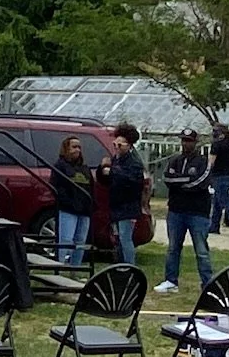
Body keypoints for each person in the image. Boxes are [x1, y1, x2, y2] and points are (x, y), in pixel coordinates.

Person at [156, 127, 214, 294]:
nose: (185, 144)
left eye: (188, 141)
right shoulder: (175, 160)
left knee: (201, 250)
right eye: (183, 140)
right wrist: (185, 181)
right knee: (173, 248)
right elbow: (166, 179)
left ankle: (207, 284)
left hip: (198, 212)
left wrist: (179, 183)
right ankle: (170, 281)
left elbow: (200, 183)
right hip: (176, 211)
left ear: (195, 143)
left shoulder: (203, 162)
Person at [95, 123, 146, 266]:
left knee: (125, 238)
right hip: (116, 206)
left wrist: (112, 172)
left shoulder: (134, 162)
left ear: (129, 145)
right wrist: (102, 169)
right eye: (115, 144)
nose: (116, 147)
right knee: (117, 237)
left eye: (120, 145)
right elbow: (105, 180)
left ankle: (129, 265)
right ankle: (120, 263)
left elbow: (132, 181)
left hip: (128, 207)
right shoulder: (116, 159)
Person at [46, 135, 97, 267]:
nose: (77, 150)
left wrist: (91, 204)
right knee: (66, 239)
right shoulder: (60, 166)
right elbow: (55, 186)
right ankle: (60, 266)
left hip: (84, 210)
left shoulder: (84, 168)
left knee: (80, 241)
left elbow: (91, 187)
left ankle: (75, 269)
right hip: (68, 209)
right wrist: (68, 202)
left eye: (79, 147)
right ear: (66, 149)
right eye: (74, 147)